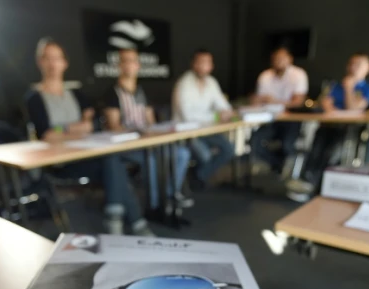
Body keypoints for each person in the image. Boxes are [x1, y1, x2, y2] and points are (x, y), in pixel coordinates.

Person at [25, 37, 153, 236]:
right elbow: (47, 135)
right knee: (115, 167)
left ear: (64, 63)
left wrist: (63, 129)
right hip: (61, 162)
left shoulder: (75, 93)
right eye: (47, 58)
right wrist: (72, 128)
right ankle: (135, 224)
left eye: (57, 58)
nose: (52, 64)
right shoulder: (34, 98)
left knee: (112, 161)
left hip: (86, 155)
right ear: (39, 62)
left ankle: (116, 219)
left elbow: (88, 122)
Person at [104, 48, 192, 213]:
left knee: (182, 153)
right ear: (119, 65)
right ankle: (154, 204)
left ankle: (170, 195)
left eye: (133, 61)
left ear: (138, 65)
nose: (130, 65)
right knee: (151, 159)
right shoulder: (112, 93)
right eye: (126, 61)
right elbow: (114, 125)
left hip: (147, 141)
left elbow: (151, 121)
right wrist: (138, 132)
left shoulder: (142, 91)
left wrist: (155, 132)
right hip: (126, 146)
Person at [287, 53, 369, 196]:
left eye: (358, 64)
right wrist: (333, 107)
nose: (353, 68)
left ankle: (320, 185)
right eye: (351, 64)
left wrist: (348, 89)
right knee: (315, 147)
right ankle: (308, 180)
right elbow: (325, 103)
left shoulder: (368, 88)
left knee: (331, 151)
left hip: (350, 129)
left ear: (368, 68)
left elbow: (355, 108)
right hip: (328, 125)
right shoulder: (335, 85)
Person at [172, 48, 235, 190]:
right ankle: (198, 177)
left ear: (211, 66)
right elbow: (188, 116)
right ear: (193, 64)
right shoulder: (184, 83)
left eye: (207, 63)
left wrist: (226, 113)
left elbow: (224, 107)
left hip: (207, 130)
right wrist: (217, 116)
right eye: (200, 62)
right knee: (205, 156)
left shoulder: (212, 82)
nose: (203, 66)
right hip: (186, 132)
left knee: (229, 149)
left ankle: (198, 175)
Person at [249, 46, 309, 174]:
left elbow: (298, 102)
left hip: (291, 120)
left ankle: (288, 171)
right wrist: (256, 100)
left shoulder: (298, 74)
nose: (278, 61)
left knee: (288, 145)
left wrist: (274, 101)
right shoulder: (265, 76)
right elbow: (258, 100)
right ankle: (278, 164)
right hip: (270, 119)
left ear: (290, 59)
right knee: (255, 141)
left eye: (282, 58)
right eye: (276, 59)